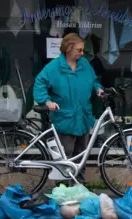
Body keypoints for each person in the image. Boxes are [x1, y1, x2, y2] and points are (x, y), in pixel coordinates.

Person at [33, 33, 104, 183]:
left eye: (82, 50)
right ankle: (63, 188)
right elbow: (39, 84)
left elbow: (94, 80)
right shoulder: (54, 67)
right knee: (66, 156)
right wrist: (47, 101)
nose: (82, 53)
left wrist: (98, 88)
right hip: (64, 118)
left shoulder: (84, 64)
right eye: (79, 50)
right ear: (68, 48)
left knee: (82, 154)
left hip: (83, 117)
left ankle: (79, 185)